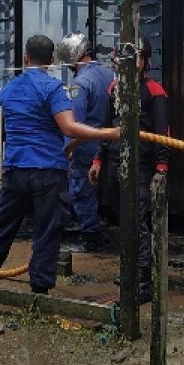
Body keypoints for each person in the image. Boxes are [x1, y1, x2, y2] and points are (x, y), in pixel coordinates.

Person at [0, 35, 120, 293]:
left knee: (3, 225)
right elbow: (69, 127)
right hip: (49, 171)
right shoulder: (54, 89)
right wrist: (110, 133)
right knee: (48, 230)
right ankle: (39, 289)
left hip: (15, 170)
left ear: (25, 58)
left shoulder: (9, 89)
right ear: (52, 61)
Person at [89, 36, 169, 303]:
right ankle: (129, 271)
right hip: (114, 164)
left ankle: (144, 282)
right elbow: (106, 126)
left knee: (138, 224)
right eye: (122, 59)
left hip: (142, 167)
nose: (128, 64)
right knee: (124, 221)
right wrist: (98, 160)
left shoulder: (154, 91)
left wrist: (161, 167)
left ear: (145, 61)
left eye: (135, 58)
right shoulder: (114, 89)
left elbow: (163, 133)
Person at [55, 32, 114, 253]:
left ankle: (91, 236)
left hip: (86, 144)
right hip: (109, 142)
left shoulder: (80, 84)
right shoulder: (110, 74)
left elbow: (74, 123)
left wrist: (68, 147)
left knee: (81, 188)